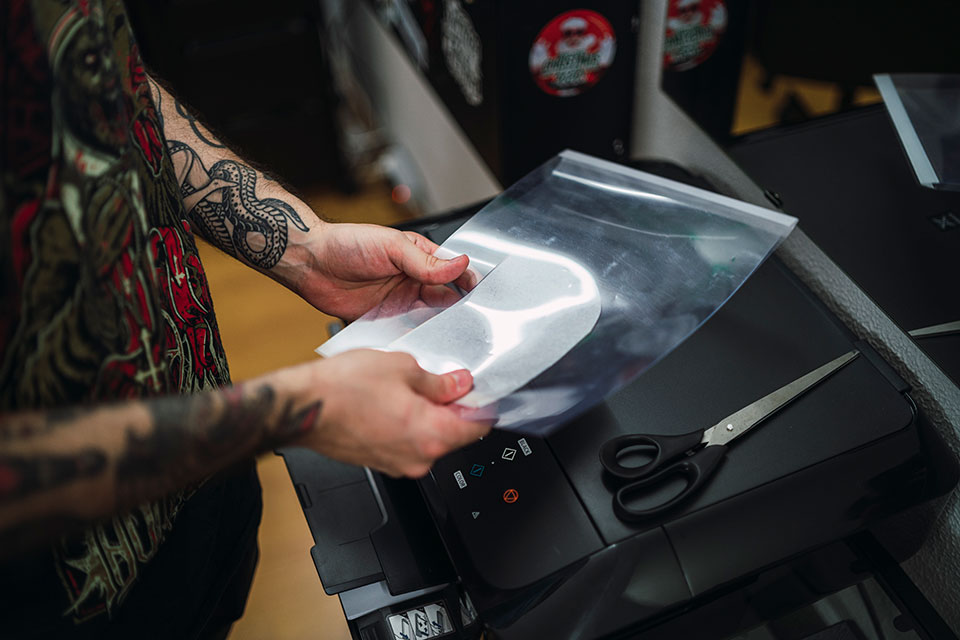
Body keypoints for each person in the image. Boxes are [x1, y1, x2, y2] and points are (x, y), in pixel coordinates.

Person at [0, 1, 490, 637]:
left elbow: (106, 83)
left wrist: (301, 244)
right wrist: (294, 410)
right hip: (59, 594)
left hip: (204, 477)